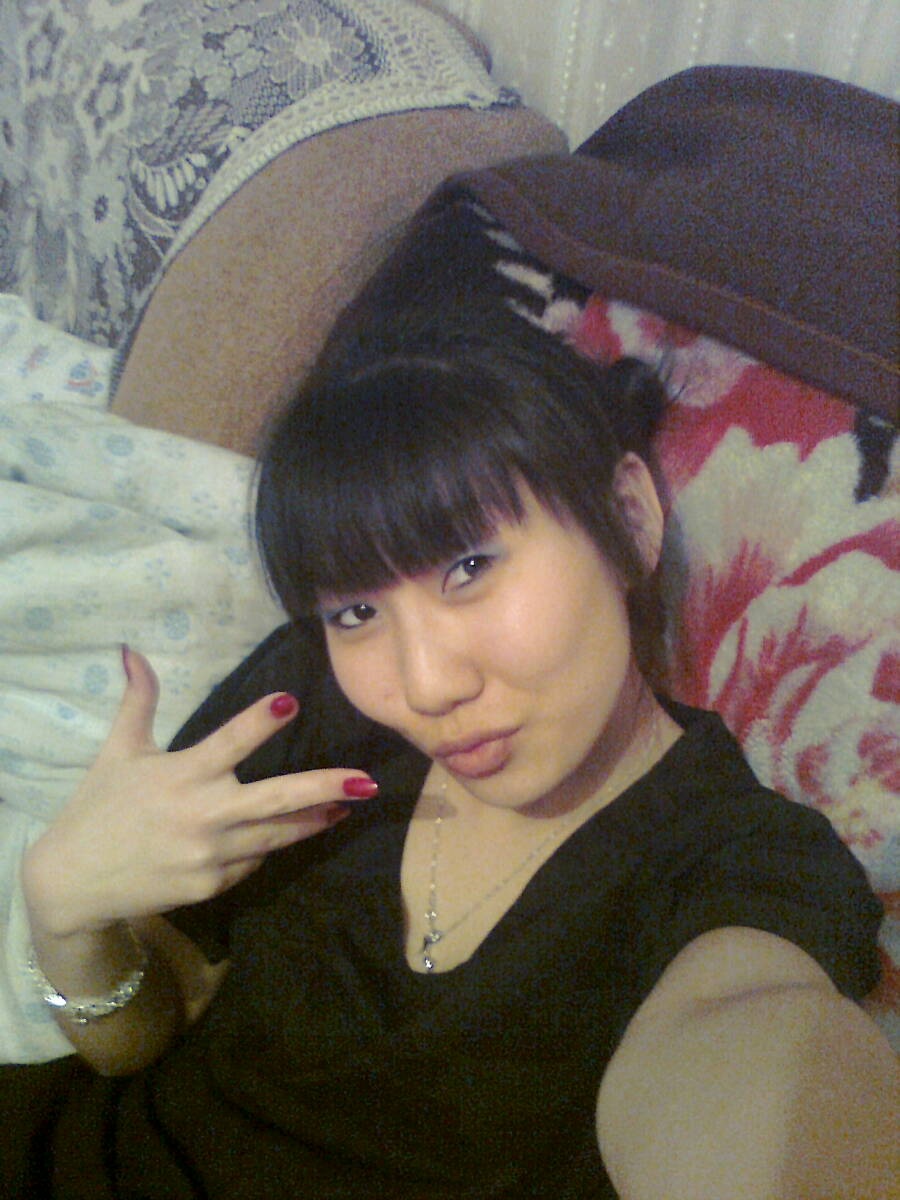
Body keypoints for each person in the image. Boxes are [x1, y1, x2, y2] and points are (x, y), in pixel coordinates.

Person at [2, 304, 896, 1199]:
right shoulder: (307, 704)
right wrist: (64, 918)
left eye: (469, 567)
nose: (424, 686)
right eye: (357, 611)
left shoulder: (743, 865)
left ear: (628, 520)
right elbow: (137, 1040)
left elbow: (756, 1064)